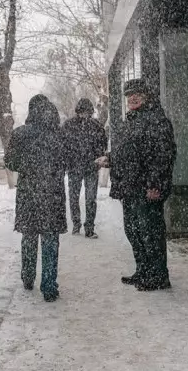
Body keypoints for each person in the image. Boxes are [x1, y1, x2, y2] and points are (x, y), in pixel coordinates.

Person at [98, 78, 176, 291]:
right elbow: (129, 152)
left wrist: (155, 184)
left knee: (150, 233)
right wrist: (110, 158)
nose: (132, 98)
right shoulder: (131, 120)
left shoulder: (156, 120)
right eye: (129, 95)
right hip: (130, 187)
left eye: (137, 94)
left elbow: (163, 155)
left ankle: (158, 276)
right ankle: (143, 270)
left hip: (145, 187)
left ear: (146, 96)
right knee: (134, 231)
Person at [5, 95, 67, 302]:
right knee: (50, 239)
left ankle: (28, 276)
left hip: (28, 193)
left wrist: (28, 167)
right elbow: (65, 161)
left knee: (29, 236)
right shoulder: (58, 135)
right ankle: (49, 285)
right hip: (52, 193)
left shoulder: (20, 134)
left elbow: (11, 162)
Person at [62, 98, 107, 238]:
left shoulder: (95, 125)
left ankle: (89, 228)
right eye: (82, 112)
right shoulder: (69, 125)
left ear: (91, 112)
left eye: (87, 112)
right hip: (75, 167)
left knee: (90, 198)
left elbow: (102, 144)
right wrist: (67, 161)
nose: (85, 115)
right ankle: (76, 224)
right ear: (78, 112)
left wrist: (98, 158)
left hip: (90, 167)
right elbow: (63, 146)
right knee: (74, 198)